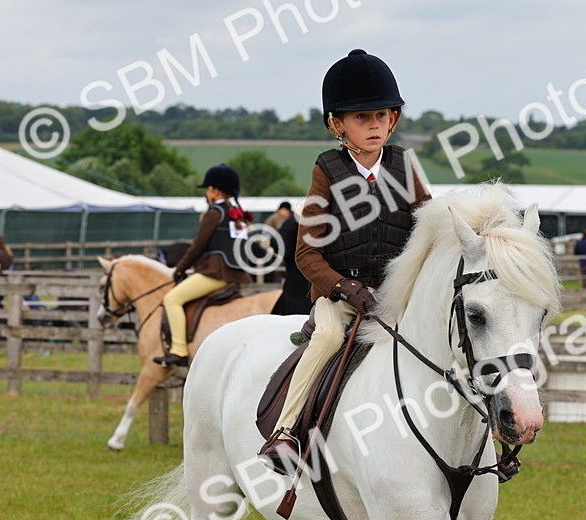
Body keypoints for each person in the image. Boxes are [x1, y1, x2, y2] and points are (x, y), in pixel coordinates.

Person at [258, 48, 430, 474]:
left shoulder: (405, 165)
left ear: (394, 118)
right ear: (337, 124)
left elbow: (430, 225)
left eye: (382, 116)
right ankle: (285, 432)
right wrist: (349, 290)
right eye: (362, 117)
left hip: (395, 294)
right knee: (329, 339)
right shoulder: (328, 170)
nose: (374, 125)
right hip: (340, 295)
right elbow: (306, 253)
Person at [154, 164, 252, 368]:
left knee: (172, 298)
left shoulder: (214, 213)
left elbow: (198, 246)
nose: (207, 193)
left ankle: (179, 350)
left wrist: (179, 269)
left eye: (208, 188)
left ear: (215, 190)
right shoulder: (236, 213)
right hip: (235, 272)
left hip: (215, 272)